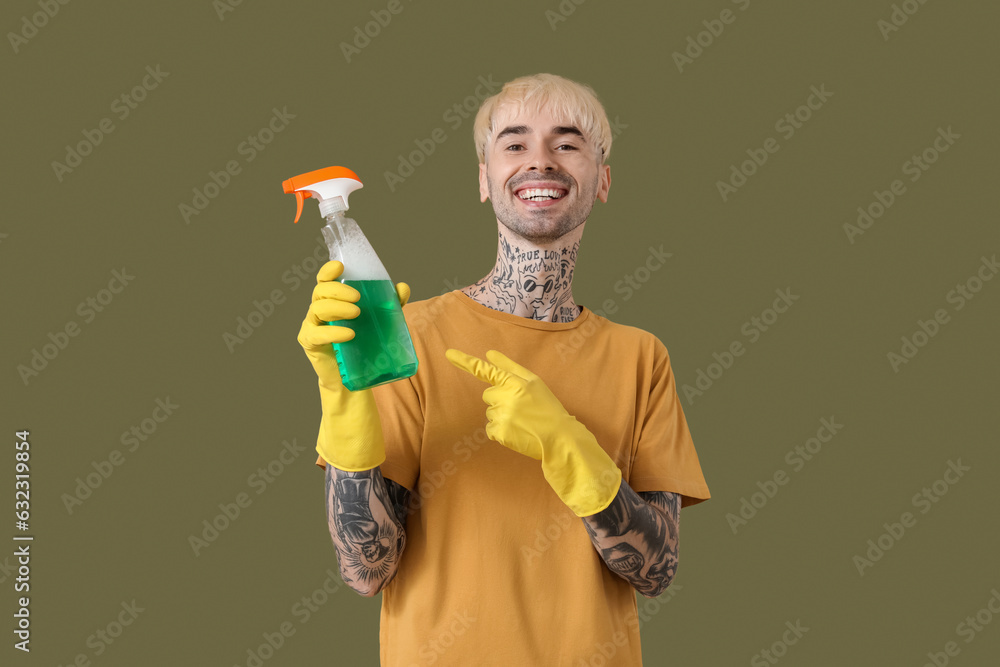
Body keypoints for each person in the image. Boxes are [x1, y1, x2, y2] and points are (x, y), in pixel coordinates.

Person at [298, 73, 711, 666]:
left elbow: (656, 570)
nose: (540, 161)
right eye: (514, 144)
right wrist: (344, 403)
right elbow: (366, 568)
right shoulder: (407, 337)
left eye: (567, 143)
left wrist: (571, 449)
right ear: (485, 181)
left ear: (603, 180)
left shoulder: (641, 357)